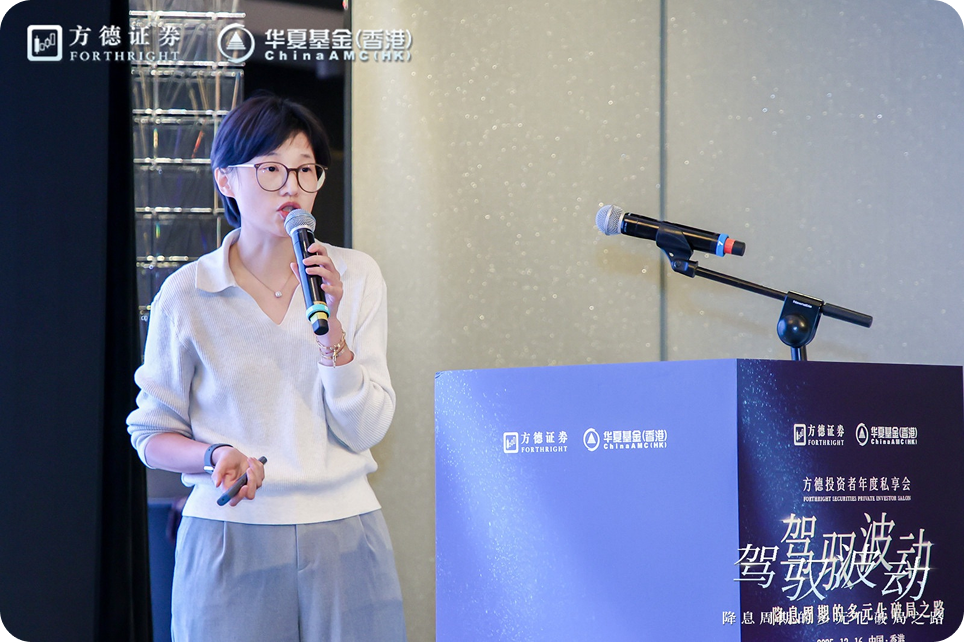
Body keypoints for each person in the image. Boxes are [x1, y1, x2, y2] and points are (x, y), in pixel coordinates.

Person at [127, 93, 406, 641]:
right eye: (271, 169)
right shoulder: (187, 294)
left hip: (346, 533)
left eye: (305, 170)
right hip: (229, 535)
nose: (291, 187)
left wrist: (333, 334)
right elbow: (151, 434)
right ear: (226, 179)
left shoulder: (354, 278)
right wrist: (214, 455)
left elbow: (366, 428)